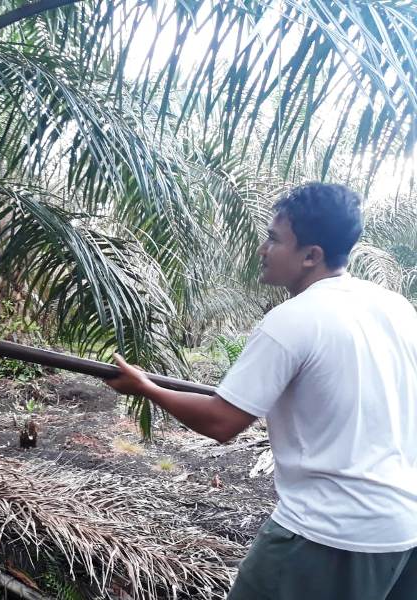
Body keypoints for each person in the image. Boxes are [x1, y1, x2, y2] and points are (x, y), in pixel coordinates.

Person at [105, 183, 417, 599]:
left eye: (274, 239)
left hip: (328, 535)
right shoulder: (394, 307)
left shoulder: (294, 319)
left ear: (311, 255)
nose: (262, 249)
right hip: (403, 530)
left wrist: (145, 387)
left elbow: (222, 421)